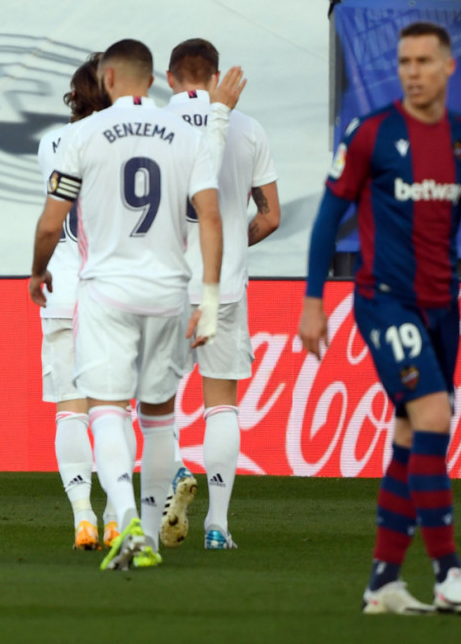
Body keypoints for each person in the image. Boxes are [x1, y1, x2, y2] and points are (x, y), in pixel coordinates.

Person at [298, 21, 461, 614]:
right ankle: (449, 573)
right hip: (386, 301)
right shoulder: (371, 134)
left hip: (443, 306)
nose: (411, 71)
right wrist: (314, 300)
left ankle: (383, 584)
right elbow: (325, 220)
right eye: (404, 61)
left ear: (449, 68)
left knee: (412, 435)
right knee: (435, 414)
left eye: (423, 61)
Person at [30, 38, 240, 570]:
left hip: (106, 291)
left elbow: (54, 221)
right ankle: (147, 528)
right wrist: (210, 296)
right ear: (153, 80)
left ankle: (125, 521)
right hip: (169, 292)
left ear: (109, 79)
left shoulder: (80, 135)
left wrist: (37, 271)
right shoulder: (187, 135)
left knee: (104, 408)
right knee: (160, 417)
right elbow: (209, 219)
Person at [161, 38, 280, 550]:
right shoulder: (248, 128)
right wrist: (237, 244)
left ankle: (170, 478)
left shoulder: (149, 127)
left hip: (161, 285)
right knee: (221, 405)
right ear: (213, 79)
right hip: (223, 284)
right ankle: (218, 526)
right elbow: (271, 215)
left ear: (169, 79)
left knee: (154, 402)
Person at [36, 53, 126, 551]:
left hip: (64, 287)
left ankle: (82, 516)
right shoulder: (131, 137)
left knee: (69, 411)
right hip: (117, 289)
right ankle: (117, 514)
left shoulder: (51, 141)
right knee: (113, 410)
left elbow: (54, 215)